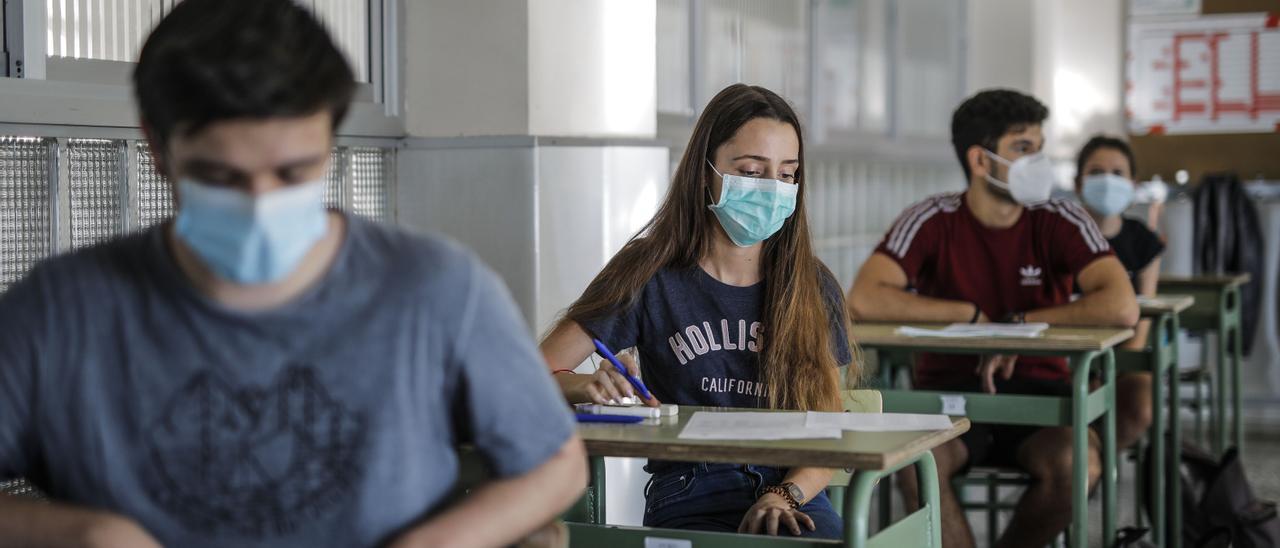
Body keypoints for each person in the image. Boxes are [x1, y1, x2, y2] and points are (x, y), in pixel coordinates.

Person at [0, 1, 586, 546]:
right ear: (157, 146)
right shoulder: (61, 310)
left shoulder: (435, 290)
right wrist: (77, 533)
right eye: (221, 178)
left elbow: (557, 464)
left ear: (329, 143)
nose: (259, 203)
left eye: (293, 172)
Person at [540, 84, 854, 539]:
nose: (772, 189)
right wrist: (582, 385)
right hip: (688, 489)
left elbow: (829, 425)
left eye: (787, 175)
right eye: (751, 170)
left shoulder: (811, 284)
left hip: (791, 492)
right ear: (704, 170)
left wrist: (783, 495)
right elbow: (531, 372)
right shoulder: (648, 271)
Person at [847, 89, 1138, 548]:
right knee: (917, 465)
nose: (1037, 161)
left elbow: (1122, 303)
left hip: (1043, 397)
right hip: (948, 398)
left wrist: (1020, 325)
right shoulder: (931, 219)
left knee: (1077, 465)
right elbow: (863, 297)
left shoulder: (1061, 218)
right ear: (980, 162)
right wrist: (971, 314)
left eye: (1040, 148)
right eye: (1023, 149)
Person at [1075, 135, 1163, 449]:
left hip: (1123, 359)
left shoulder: (1144, 242)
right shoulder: (1058, 235)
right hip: (1066, 357)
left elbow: (1143, 321)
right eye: (1096, 172)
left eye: (1117, 172)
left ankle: (1098, 463)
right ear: (1078, 183)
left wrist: (1108, 369)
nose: (1107, 181)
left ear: (1132, 183)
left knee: (1140, 407)